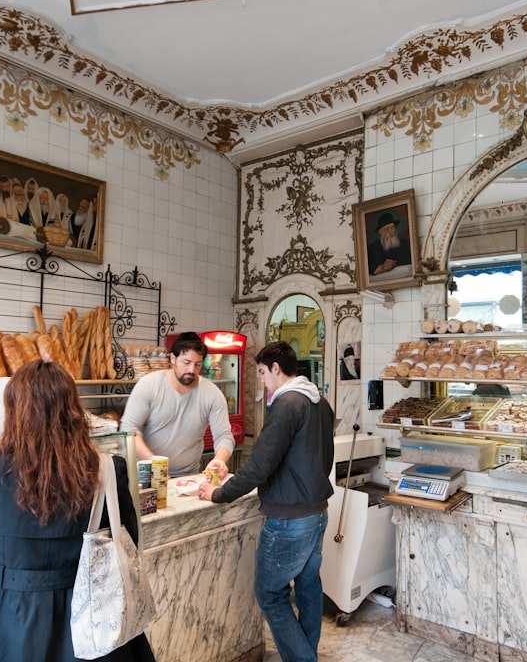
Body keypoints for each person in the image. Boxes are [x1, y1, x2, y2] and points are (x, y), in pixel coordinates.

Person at [0, 360, 155, 662]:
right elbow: (129, 537)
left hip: (8, 616)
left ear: (15, 412)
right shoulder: (106, 469)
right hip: (90, 617)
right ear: (73, 411)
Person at [198, 342, 334, 662]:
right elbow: (322, 457)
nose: (261, 381)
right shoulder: (320, 402)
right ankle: (306, 653)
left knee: (270, 595)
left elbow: (260, 465)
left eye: (261, 373)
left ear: (275, 368)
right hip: (317, 511)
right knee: (309, 588)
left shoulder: (286, 404)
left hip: (289, 519)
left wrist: (219, 493)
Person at [119, 331, 234, 477]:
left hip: (187, 476)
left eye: (197, 364)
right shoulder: (149, 385)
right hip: (145, 474)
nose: (191, 370)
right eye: (186, 363)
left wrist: (220, 459)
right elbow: (129, 430)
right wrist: (154, 463)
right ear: (173, 358)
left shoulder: (212, 394)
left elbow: (224, 435)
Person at [366, 210, 413, 280]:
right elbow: (366, 268)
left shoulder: (403, 243)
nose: (391, 232)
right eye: (387, 229)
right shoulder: (373, 248)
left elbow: (410, 261)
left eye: (392, 227)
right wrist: (381, 267)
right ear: (380, 232)